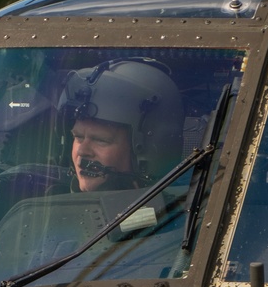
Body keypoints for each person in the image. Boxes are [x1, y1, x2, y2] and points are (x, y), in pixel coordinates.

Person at [59, 58, 184, 192]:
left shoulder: (183, 209)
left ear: (153, 151)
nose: (82, 151)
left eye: (100, 140)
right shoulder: (46, 206)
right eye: (78, 137)